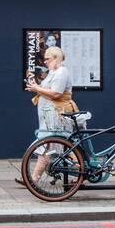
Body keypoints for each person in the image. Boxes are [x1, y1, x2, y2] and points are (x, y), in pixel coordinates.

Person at [25, 46, 77, 182]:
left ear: (55, 58)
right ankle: (33, 178)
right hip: (50, 116)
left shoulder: (61, 72)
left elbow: (56, 93)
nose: (45, 62)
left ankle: (33, 179)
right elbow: (47, 89)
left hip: (57, 115)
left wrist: (37, 88)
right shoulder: (54, 72)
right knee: (51, 145)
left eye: (47, 59)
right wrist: (35, 86)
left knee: (61, 144)